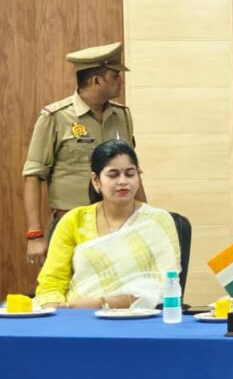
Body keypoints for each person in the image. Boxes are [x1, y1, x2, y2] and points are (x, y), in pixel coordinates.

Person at [23, 42, 145, 268]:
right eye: (115, 75)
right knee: (68, 288)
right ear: (97, 81)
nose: (121, 80)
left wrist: (144, 220)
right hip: (72, 226)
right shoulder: (56, 117)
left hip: (119, 227)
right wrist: (34, 234)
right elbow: (33, 176)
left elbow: (133, 172)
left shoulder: (122, 115)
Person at [34, 140, 179, 309]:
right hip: (76, 316)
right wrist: (57, 313)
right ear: (96, 180)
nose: (123, 181)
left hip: (138, 316)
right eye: (113, 175)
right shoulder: (74, 220)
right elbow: (52, 282)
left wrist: (101, 304)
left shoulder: (158, 221)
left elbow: (165, 284)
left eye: (130, 174)